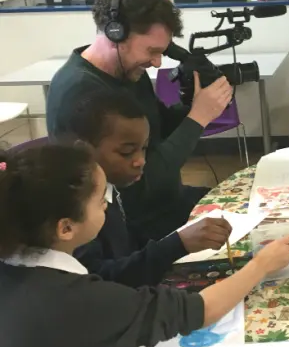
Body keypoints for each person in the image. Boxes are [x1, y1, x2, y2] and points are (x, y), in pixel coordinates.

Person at [0, 143, 289, 347]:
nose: (108, 205)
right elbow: (201, 310)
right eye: (101, 201)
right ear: (66, 228)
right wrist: (261, 264)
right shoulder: (75, 299)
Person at [46, 0, 234, 244]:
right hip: (132, 227)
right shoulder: (82, 93)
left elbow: (157, 130)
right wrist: (198, 117)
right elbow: (140, 184)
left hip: (165, 203)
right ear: (115, 34)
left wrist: (198, 105)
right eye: (152, 51)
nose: (157, 62)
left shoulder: (130, 73)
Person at [63, 91, 234, 287]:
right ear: (85, 150)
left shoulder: (111, 187)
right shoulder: (76, 208)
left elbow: (126, 244)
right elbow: (101, 279)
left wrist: (177, 242)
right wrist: (177, 244)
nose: (140, 161)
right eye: (126, 152)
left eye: (144, 148)